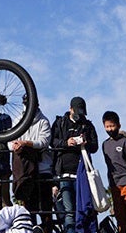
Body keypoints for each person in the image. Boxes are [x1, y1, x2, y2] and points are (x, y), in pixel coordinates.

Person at [51, 97, 98, 233]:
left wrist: (85, 142)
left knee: (83, 208)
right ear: (70, 109)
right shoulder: (60, 123)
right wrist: (66, 143)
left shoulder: (87, 125)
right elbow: (52, 142)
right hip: (64, 174)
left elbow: (95, 146)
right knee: (69, 212)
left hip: (82, 174)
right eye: (77, 111)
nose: (79, 115)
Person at [100, 111, 126, 233]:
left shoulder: (124, 142)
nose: (110, 129)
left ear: (118, 125)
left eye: (112, 126)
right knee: (121, 220)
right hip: (115, 186)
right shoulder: (105, 145)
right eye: (107, 126)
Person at [8, 106, 51, 224]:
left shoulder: (43, 121)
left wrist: (26, 143)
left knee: (45, 210)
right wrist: (15, 146)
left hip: (42, 170)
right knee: (28, 210)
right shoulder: (17, 120)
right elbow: (9, 141)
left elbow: (44, 141)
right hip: (25, 172)